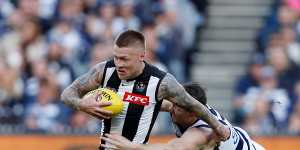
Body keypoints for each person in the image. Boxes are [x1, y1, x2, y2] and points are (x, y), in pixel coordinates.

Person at [60, 30, 229, 149]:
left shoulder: (162, 82)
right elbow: (67, 93)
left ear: (142, 56)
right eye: (116, 57)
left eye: (124, 59)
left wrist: (218, 127)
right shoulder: (103, 70)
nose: (118, 64)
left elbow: (193, 105)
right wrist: (81, 104)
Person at [101, 83, 265, 150]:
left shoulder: (200, 133)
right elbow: (150, 102)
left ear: (193, 113)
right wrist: (120, 95)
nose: (172, 108)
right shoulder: (185, 106)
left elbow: (172, 148)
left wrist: (132, 147)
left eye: (177, 107)